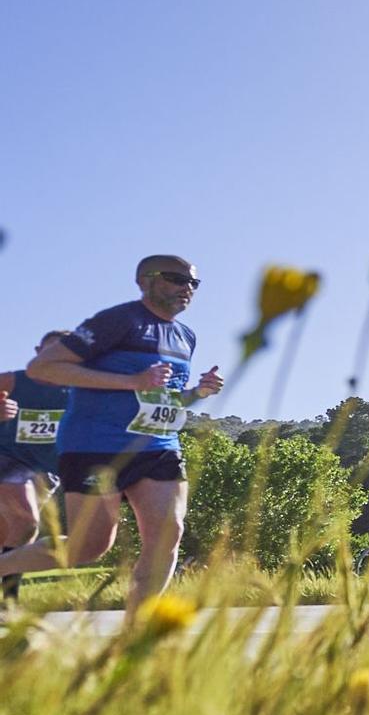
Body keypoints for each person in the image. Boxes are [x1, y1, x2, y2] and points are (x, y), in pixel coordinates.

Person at [0, 257, 223, 606]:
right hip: (95, 446)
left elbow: (163, 396)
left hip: (157, 444)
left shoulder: (186, 336)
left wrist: (199, 392)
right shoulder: (118, 321)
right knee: (85, 547)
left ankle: (136, 640)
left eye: (194, 283)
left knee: (168, 534)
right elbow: (44, 366)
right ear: (145, 281)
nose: (187, 288)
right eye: (177, 279)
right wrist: (130, 381)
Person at [0, 331, 70, 599]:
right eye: (51, 351)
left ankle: (6, 601)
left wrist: (194, 392)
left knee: (13, 532)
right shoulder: (14, 380)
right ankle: (10, 602)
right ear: (38, 351)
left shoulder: (81, 390)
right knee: (26, 520)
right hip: (8, 459)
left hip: (48, 471)